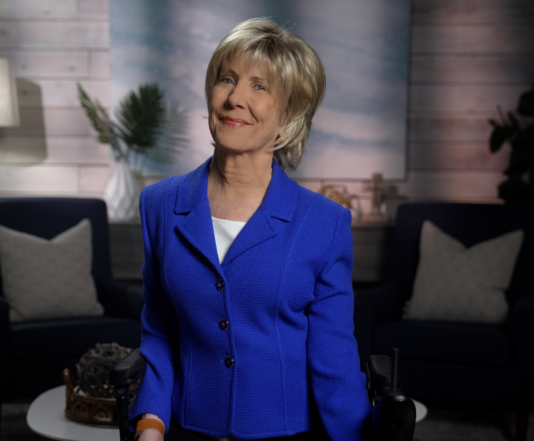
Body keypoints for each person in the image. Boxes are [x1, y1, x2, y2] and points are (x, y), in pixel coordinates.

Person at [130, 17, 371, 441]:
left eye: (260, 87)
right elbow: (160, 332)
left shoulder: (325, 225)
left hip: (286, 434)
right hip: (184, 428)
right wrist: (150, 423)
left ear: (288, 116)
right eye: (227, 79)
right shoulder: (159, 206)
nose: (235, 98)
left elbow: (333, 360)